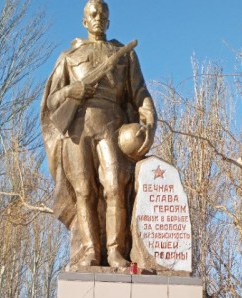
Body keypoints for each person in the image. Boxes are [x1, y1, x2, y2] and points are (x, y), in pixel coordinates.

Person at [41, 0, 157, 268]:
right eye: (92, 14)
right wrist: (72, 91)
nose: (98, 18)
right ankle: (91, 251)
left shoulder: (123, 54)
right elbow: (51, 101)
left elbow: (139, 91)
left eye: (103, 14)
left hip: (112, 125)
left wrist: (148, 115)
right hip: (78, 130)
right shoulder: (68, 57)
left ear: (108, 21)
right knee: (83, 191)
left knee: (115, 185)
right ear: (84, 21)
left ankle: (116, 252)